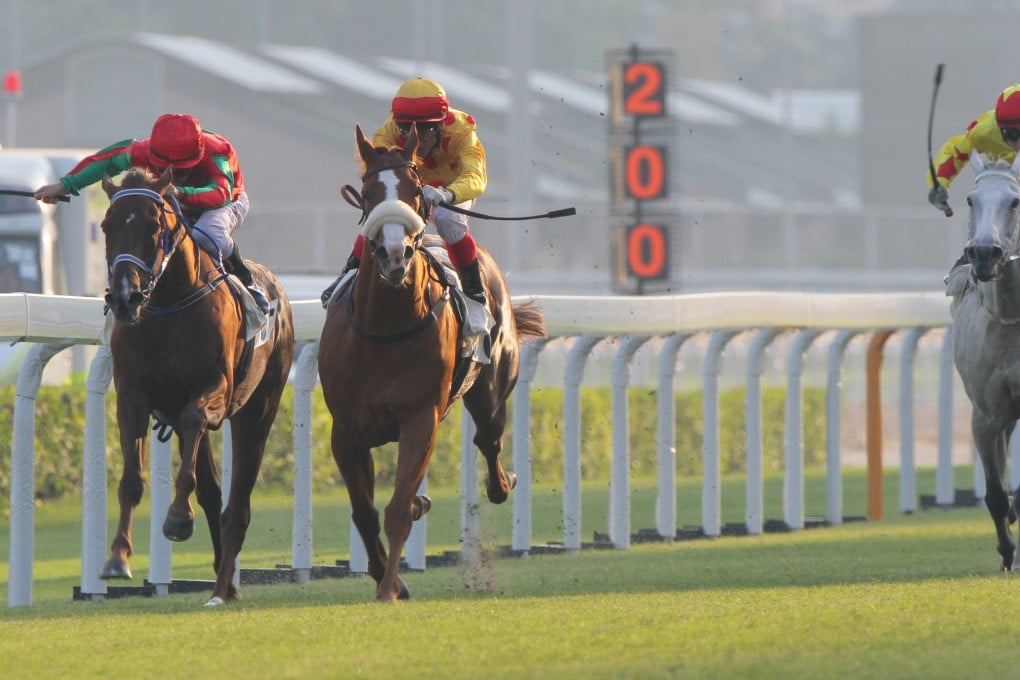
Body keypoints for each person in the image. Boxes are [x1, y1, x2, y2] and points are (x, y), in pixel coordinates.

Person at [34, 113, 269, 313]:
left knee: (207, 233)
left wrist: (180, 192)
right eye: (166, 168)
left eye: (182, 169)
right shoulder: (142, 151)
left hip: (227, 201)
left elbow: (220, 193)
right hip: (176, 198)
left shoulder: (216, 152)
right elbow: (105, 162)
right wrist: (65, 185)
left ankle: (246, 281)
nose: (175, 174)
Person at [321, 76, 489, 308]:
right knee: (382, 214)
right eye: (406, 128)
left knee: (448, 219)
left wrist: (447, 194)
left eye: (426, 129)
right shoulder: (387, 132)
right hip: (409, 186)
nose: (416, 137)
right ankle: (348, 273)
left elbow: (476, 177)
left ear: (441, 124)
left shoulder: (461, 130)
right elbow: (376, 174)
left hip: (451, 188)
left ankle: (474, 292)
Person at [928, 84, 1020, 282]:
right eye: (1011, 135)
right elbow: (956, 151)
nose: (1017, 142)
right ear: (999, 129)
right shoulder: (983, 132)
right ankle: (972, 259)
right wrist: (939, 184)